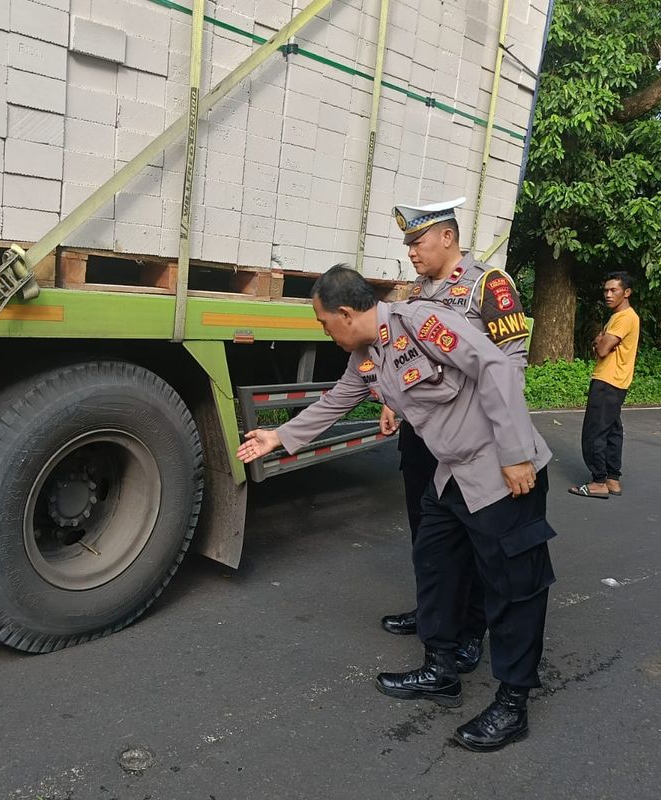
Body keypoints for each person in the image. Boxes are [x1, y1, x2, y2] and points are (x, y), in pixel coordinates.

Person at [238, 265, 557, 752]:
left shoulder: (423, 323)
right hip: (450, 473)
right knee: (435, 565)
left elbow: (496, 366)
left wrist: (515, 454)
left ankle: (513, 704)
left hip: (501, 472)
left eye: (325, 323)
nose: (325, 332)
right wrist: (279, 436)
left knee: (514, 589)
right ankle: (441, 669)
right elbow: (339, 399)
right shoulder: (367, 354)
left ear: (346, 313)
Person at [378, 199, 532, 678]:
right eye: (407, 244)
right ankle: (434, 615)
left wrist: (504, 442)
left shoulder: (490, 285)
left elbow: (510, 365)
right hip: (424, 436)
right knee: (429, 534)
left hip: (472, 437)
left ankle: (470, 631)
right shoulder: (416, 291)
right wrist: (390, 400)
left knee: (474, 539)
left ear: (447, 236)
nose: (411, 252)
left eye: (417, 241)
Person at [569, 271, 640, 500]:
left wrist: (601, 341)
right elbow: (599, 344)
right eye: (606, 290)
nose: (608, 295)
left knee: (594, 431)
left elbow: (600, 349)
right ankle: (612, 478)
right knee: (612, 430)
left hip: (607, 381)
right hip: (618, 381)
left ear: (626, 292)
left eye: (614, 290)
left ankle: (598, 481)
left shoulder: (624, 318)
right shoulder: (620, 316)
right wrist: (601, 342)